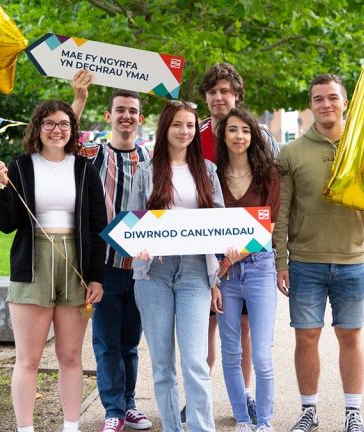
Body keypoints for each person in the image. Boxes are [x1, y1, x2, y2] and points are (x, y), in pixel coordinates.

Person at [273, 74, 364, 432]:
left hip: (352, 261)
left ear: (345, 102)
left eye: (332, 98)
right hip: (305, 263)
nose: (325, 104)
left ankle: (353, 414)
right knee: (306, 337)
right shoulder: (292, 152)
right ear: (310, 105)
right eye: (318, 99)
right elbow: (282, 213)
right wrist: (281, 261)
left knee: (351, 337)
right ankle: (309, 412)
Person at [0, 100, 107, 432]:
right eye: (50, 124)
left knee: (70, 357)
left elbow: (98, 226)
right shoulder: (21, 166)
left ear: (72, 130)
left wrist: (95, 276)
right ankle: (25, 428)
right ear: (37, 128)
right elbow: (6, 223)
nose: (58, 130)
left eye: (64, 124)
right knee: (29, 359)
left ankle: (71, 426)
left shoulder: (84, 169)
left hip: (76, 263)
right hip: (32, 262)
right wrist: (1, 186)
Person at [128, 100, 224, 432]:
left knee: (196, 362)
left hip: (196, 272)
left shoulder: (208, 170)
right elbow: (133, 223)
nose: (184, 131)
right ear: (164, 129)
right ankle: (172, 427)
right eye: (177, 125)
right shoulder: (146, 171)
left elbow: (221, 223)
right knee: (163, 364)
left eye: (189, 125)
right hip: (154, 273)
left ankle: (201, 427)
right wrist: (136, 247)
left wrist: (218, 274)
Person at [193, 62, 279, 423]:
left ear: (237, 95)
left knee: (247, 336)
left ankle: (246, 402)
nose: (218, 97)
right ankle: (202, 399)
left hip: (252, 260)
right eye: (212, 92)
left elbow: (271, 213)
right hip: (208, 255)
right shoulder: (196, 138)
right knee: (206, 329)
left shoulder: (262, 140)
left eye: (225, 91)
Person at [70, 70, 153, 432]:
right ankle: (113, 410)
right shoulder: (94, 152)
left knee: (130, 342)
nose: (126, 116)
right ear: (108, 116)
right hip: (103, 266)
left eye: (133, 111)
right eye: (120, 110)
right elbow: (62, 136)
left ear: (140, 118)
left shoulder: (151, 158)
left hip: (139, 266)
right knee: (105, 341)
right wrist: (79, 99)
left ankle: (130, 404)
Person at [210, 108, 281, 432]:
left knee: (262, 354)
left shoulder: (268, 174)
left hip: (259, 268)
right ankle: (241, 417)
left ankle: (264, 421)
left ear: (253, 136)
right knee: (231, 351)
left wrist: (236, 257)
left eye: (245, 131)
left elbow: (272, 226)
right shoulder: (211, 174)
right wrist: (218, 270)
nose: (239, 136)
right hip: (223, 274)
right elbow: (205, 226)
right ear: (223, 137)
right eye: (232, 130)